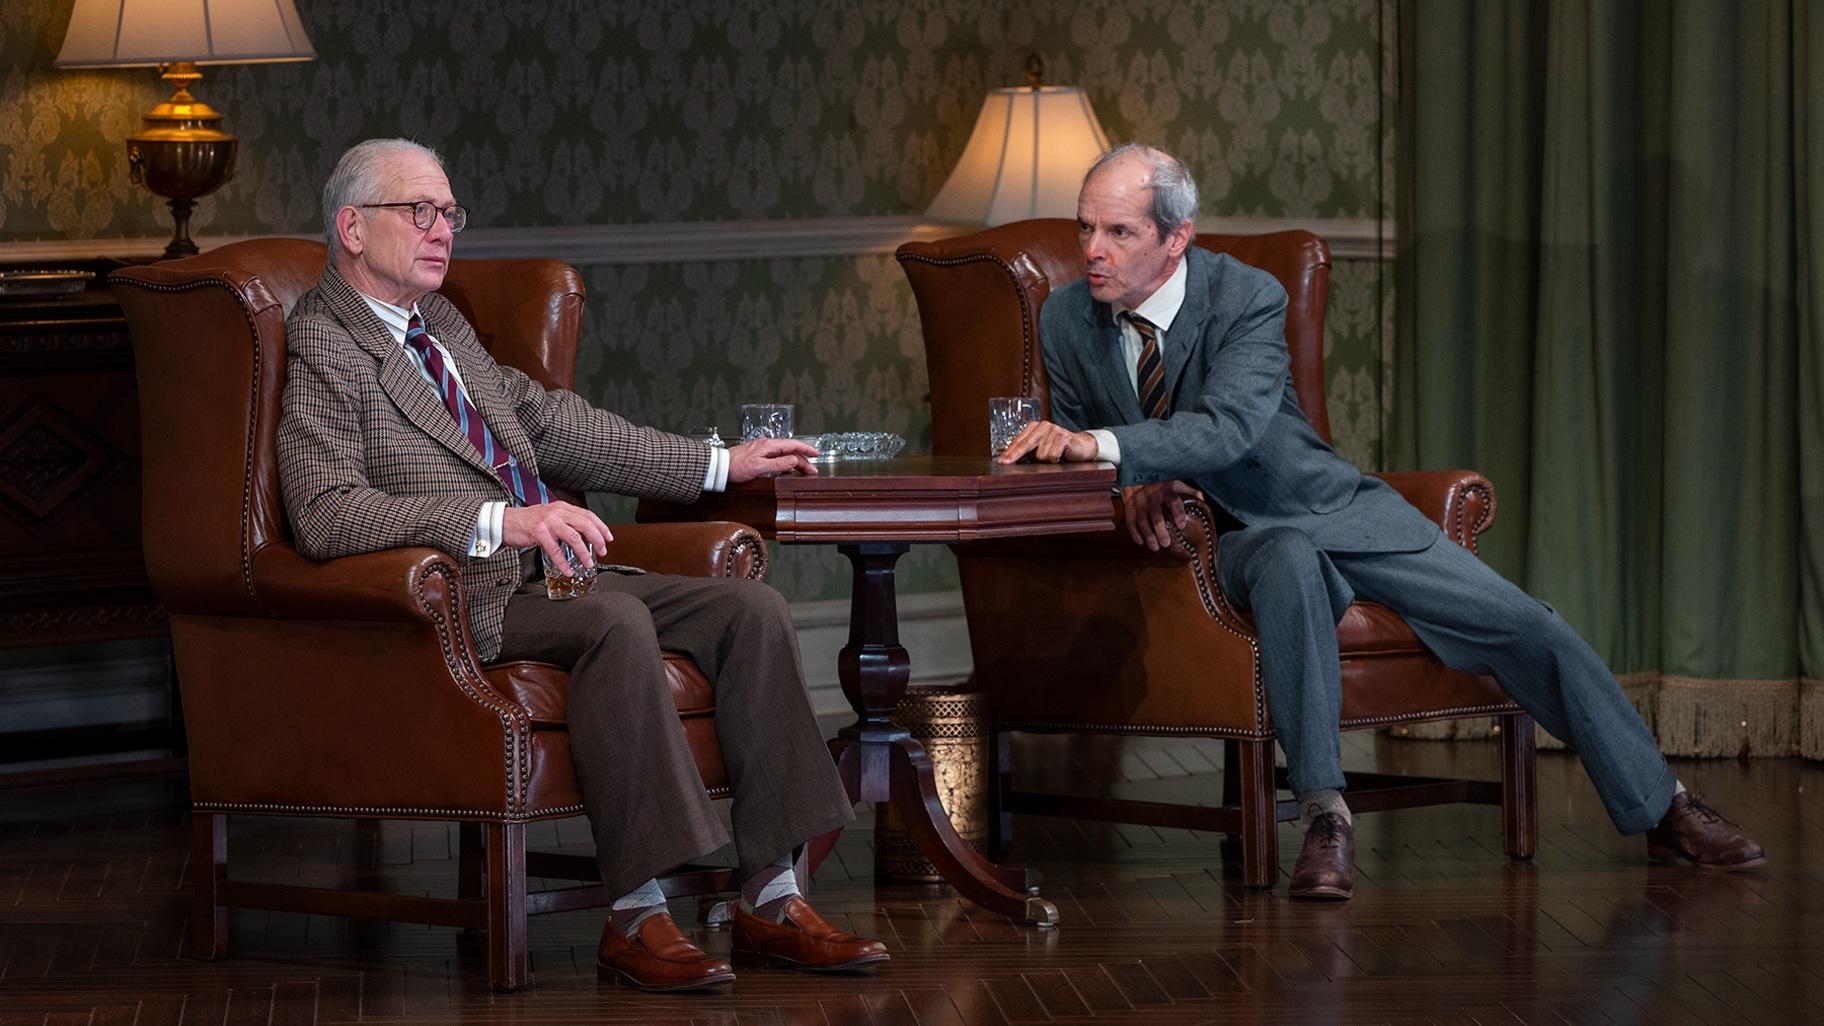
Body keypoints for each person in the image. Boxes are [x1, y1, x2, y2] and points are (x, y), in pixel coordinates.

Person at [997, 142, 1766, 900]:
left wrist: (1104, 446)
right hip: (1222, 544)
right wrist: (1124, 483)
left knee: (1525, 624)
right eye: (1084, 228)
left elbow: (1225, 428)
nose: (1092, 251)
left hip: (1325, 505)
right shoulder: (1068, 319)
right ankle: (1327, 820)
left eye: (1118, 233)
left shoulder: (1248, 298)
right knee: (1289, 559)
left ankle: (1663, 808)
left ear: (1177, 238)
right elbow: (1092, 458)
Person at [278, 138, 886, 989]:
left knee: (751, 610)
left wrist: (720, 465)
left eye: (449, 212)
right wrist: (499, 520)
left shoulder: (441, 325)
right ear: (351, 226)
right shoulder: (325, 341)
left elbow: (556, 425)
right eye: (419, 211)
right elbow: (325, 512)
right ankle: (638, 917)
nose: (442, 229)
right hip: (462, 598)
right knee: (612, 619)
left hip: (548, 575)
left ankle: (772, 898)